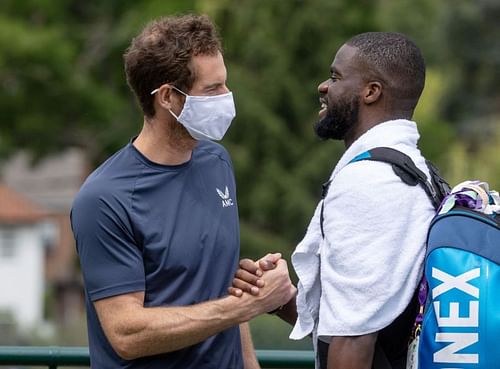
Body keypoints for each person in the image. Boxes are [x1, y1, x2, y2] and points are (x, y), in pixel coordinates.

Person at [70, 15, 295, 369]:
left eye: (226, 84)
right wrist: (248, 305)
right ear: (167, 98)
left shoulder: (216, 161)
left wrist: (247, 296)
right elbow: (126, 335)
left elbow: (223, 293)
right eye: (212, 89)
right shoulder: (103, 198)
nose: (227, 98)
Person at [230, 32, 436, 369]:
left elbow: (354, 339)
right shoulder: (413, 170)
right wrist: (282, 299)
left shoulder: (370, 182)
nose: (323, 86)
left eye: (336, 77)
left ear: (371, 92)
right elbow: (370, 322)